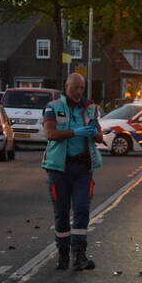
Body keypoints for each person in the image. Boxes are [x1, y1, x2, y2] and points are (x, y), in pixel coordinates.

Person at [42, 73, 103, 271]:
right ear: (66, 86)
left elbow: (100, 137)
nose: (78, 92)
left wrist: (95, 132)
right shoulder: (53, 107)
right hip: (59, 168)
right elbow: (50, 133)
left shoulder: (91, 108)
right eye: (75, 88)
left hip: (83, 168)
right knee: (61, 212)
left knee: (82, 210)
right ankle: (63, 254)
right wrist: (75, 132)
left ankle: (79, 255)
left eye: (81, 88)